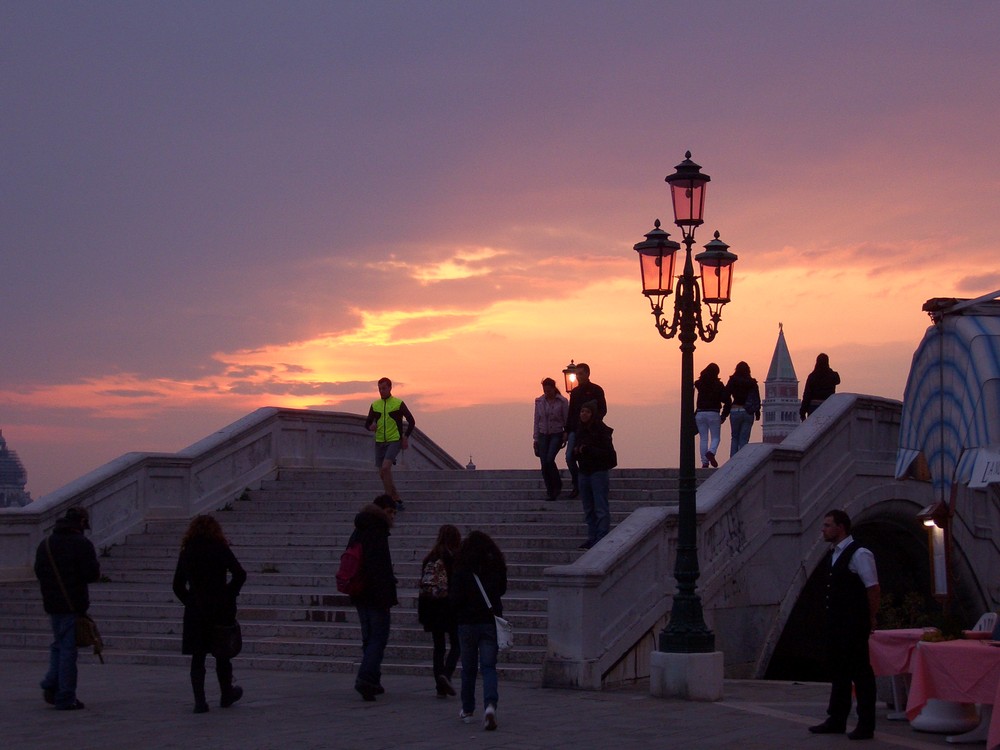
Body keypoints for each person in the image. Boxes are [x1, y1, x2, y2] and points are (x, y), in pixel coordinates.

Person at [809, 509, 880, 741]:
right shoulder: (834, 553)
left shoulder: (859, 553)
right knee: (839, 671)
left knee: (860, 674)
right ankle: (837, 718)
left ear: (841, 527)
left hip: (853, 624)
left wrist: (871, 617)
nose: (823, 529)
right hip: (837, 625)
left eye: (827, 525)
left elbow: (872, 588)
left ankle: (866, 723)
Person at [172, 514, 248, 713]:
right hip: (220, 608)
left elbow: (177, 585)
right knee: (222, 655)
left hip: (196, 610)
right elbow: (240, 574)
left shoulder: (187, 551)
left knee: (198, 657)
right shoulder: (219, 547)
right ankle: (226, 694)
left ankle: (200, 701)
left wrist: (190, 601)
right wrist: (229, 594)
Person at [34, 506, 100, 710]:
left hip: (52, 602)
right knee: (68, 650)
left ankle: (51, 683)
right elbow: (92, 574)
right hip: (73, 603)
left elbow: (39, 572)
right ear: (81, 523)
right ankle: (64, 695)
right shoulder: (82, 544)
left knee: (59, 645)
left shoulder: (45, 543)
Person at [450, 530, 507, 731]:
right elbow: (502, 589)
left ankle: (467, 709)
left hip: (466, 623)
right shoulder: (495, 565)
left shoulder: (461, 568)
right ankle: (490, 706)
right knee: (489, 667)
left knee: (469, 669)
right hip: (489, 621)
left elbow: (454, 598)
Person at [348, 494, 398, 701]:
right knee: (378, 637)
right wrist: (386, 594)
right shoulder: (377, 530)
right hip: (375, 594)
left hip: (359, 591)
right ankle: (366, 678)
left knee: (369, 637)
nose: (393, 517)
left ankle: (374, 679)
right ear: (381, 510)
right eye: (390, 512)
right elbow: (379, 567)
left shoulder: (360, 529)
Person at [417, 524, 461, 698]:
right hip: (448, 608)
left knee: (439, 647)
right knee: (456, 645)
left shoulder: (429, 557)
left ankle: (439, 685)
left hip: (431, 608)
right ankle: (446, 675)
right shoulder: (453, 558)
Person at [365, 377, 415, 510]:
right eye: (379, 389)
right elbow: (367, 423)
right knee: (382, 473)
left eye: (384, 388)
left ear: (390, 388)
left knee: (386, 468)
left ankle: (388, 502)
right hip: (380, 442)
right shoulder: (375, 405)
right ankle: (397, 498)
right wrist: (371, 427)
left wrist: (405, 437)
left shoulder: (398, 403)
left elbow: (411, 421)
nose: (381, 391)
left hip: (394, 440)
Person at [573, 400, 617, 549]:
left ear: (593, 414)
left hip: (598, 472)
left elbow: (608, 455)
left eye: (587, 411)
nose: (583, 414)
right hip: (584, 472)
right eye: (582, 411)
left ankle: (602, 537)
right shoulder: (580, 430)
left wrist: (588, 450)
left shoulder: (601, 431)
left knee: (600, 507)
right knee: (588, 508)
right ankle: (592, 537)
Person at [564, 363, 607, 499]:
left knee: (588, 457)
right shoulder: (575, 392)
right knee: (569, 457)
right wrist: (567, 430)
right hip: (575, 429)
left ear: (588, 374)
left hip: (591, 431)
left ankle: (587, 485)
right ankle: (577, 484)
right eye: (576, 374)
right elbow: (571, 412)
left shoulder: (596, 390)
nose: (578, 377)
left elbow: (603, 409)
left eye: (581, 374)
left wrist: (593, 422)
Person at [533, 377, 569, 501]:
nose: (546, 393)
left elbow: (566, 419)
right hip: (543, 433)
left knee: (549, 459)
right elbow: (537, 420)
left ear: (554, 389)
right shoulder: (539, 401)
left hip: (556, 433)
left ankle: (557, 485)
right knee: (544, 463)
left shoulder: (562, 402)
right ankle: (550, 490)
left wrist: (566, 433)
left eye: (548, 390)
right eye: (545, 390)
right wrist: (536, 438)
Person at [694, 363, 731, 468]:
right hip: (714, 413)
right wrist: (724, 415)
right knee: (716, 437)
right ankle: (711, 452)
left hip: (700, 413)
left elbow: (696, 384)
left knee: (703, 438)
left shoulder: (699, 384)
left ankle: (704, 462)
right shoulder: (718, 385)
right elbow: (727, 400)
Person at [725, 361, 761, 457]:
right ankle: (742, 459)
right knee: (744, 438)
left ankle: (732, 459)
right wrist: (757, 412)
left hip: (735, 410)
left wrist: (726, 411)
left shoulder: (733, 380)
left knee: (734, 437)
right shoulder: (752, 383)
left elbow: (725, 395)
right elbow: (756, 398)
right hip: (748, 412)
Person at [800, 353, 841, 420]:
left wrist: (802, 412)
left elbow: (807, 395)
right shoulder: (832, 375)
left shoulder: (812, 376)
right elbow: (838, 380)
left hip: (814, 408)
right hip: (828, 406)